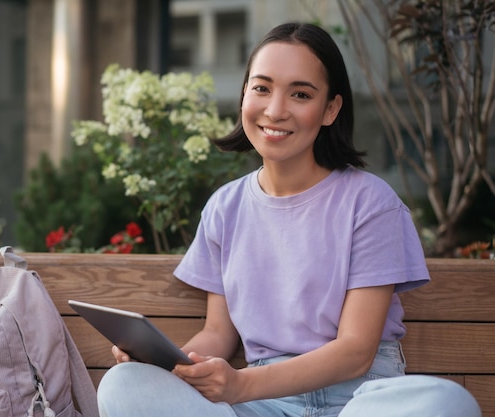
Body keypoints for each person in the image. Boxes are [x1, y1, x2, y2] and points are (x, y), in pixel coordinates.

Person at [96, 22, 482, 417]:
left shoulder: (371, 202)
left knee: (446, 404)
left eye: (300, 94)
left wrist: (241, 383)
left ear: (331, 109)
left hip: (359, 399)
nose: (275, 110)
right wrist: (162, 364)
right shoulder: (224, 208)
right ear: (244, 93)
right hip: (261, 404)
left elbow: (355, 351)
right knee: (125, 385)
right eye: (262, 88)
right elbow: (219, 335)